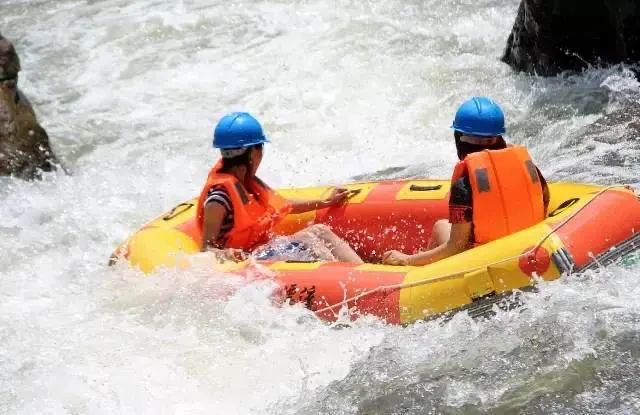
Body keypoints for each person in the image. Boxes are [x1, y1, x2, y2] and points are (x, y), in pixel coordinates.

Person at [383, 96, 550, 266]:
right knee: (442, 225)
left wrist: (407, 260)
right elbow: (544, 202)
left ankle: (418, 273)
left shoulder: (464, 184)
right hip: (529, 247)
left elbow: (456, 246)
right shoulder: (528, 167)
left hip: (485, 262)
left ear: (459, 138)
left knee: (439, 228)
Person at [197, 112, 363, 264]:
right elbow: (207, 250)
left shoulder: (247, 184)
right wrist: (225, 254)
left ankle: (362, 271)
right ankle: (349, 282)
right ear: (253, 152)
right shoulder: (219, 197)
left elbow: (283, 205)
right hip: (246, 263)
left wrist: (325, 202)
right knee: (307, 239)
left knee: (319, 231)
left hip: (261, 251)